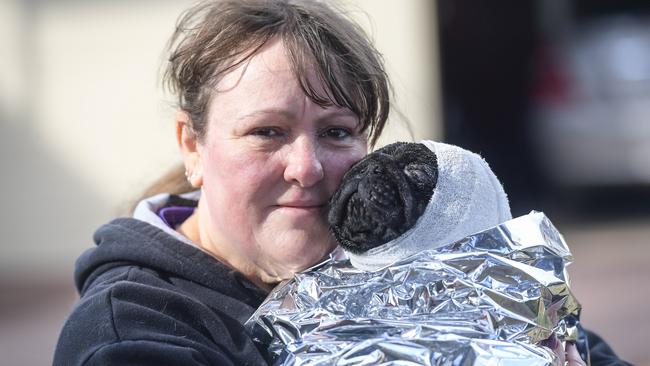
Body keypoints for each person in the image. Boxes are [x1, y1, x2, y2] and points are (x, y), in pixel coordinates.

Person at [53, 1, 627, 365]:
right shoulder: (130, 332)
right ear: (191, 145)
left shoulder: (418, 261)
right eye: (267, 132)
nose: (306, 167)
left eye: (335, 132)